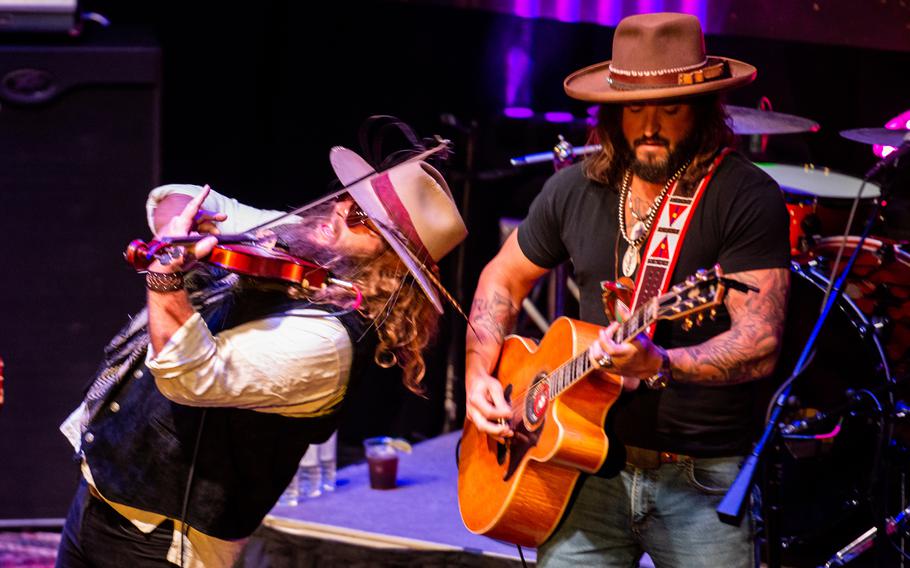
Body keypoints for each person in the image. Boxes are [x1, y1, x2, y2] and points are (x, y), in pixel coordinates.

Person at [464, 12, 790, 567]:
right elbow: (502, 276)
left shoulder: (745, 196)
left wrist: (661, 363)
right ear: (612, 112)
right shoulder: (575, 187)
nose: (651, 125)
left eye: (670, 107)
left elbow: (759, 341)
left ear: (704, 108)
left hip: (699, 477)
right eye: (635, 107)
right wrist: (478, 372)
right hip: (579, 468)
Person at [56, 145, 467, 567]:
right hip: (98, 495)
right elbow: (177, 196)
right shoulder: (303, 243)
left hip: (164, 542)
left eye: (362, 218)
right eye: (351, 196)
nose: (341, 209)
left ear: (391, 263)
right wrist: (180, 228)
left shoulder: (328, 342)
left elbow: (188, 375)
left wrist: (166, 274)